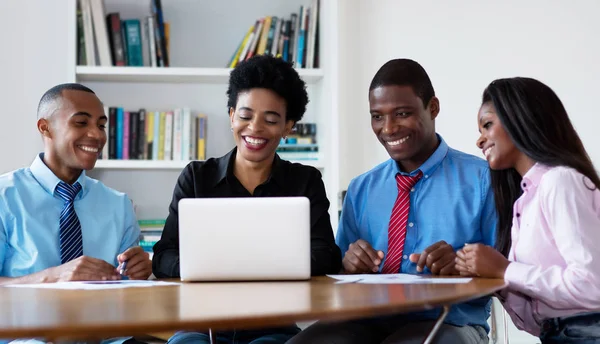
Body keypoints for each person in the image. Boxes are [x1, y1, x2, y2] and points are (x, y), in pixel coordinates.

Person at [287, 59, 497, 344]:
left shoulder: (484, 180)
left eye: (401, 113)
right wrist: (348, 264)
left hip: (449, 323)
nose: (388, 128)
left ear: (432, 108)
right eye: (377, 116)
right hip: (364, 322)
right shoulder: (361, 188)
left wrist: (462, 264)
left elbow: (508, 272)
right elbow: (336, 278)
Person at [152, 54, 342, 344]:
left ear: (289, 127)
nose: (254, 128)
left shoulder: (305, 181)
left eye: (271, 119)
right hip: (202, 324)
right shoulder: (196, 177)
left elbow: (326, 254)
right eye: (245, 116)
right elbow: (164, 255)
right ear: (231, 116)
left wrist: (249, 266)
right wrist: (204, 269)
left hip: (274, 325)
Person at [0, 83, 151, 343]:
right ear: (44, 127)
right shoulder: (4, 197)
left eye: (101, 125)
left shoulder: (119, 204)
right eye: (81, 123)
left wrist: (138, 271)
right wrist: (53, 277)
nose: (97, 135)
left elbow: (128, 298)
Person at [456, 77, 600, 343]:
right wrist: (492, 278)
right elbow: (536, 323)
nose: (479, 140)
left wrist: (505, 270)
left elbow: (592, 286)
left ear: (519, 118)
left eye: (487, 125)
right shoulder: (524, 201)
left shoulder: (560, 182)